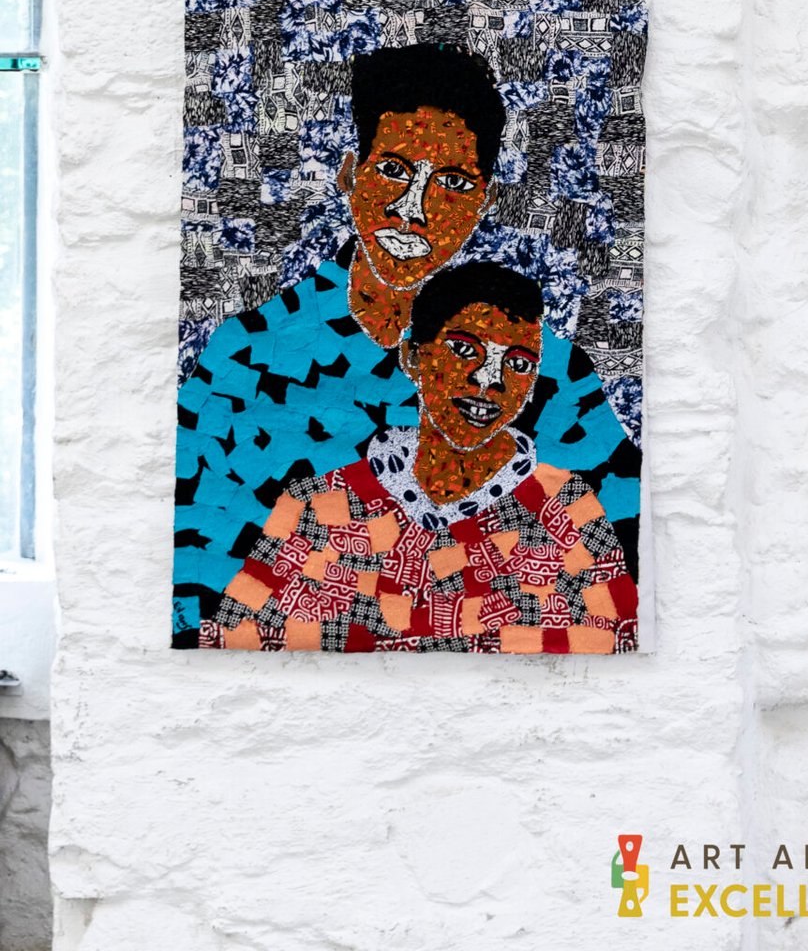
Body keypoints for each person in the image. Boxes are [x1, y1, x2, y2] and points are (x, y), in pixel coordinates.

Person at [174, 43, 638, 641]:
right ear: (350, 175)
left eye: (453, 182)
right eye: (393, 170)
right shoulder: (245, 361)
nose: (412, 210)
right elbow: (190, 583)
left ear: (484, 203)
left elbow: (630, 559)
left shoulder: (552, 378)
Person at [204, 260, 637, 653]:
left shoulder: (563, 508)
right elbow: (236, 635)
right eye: (464, 349)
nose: (490, 380)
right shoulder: (319, 507)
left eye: (519, 364)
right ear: (413, 357)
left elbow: (618, 637)